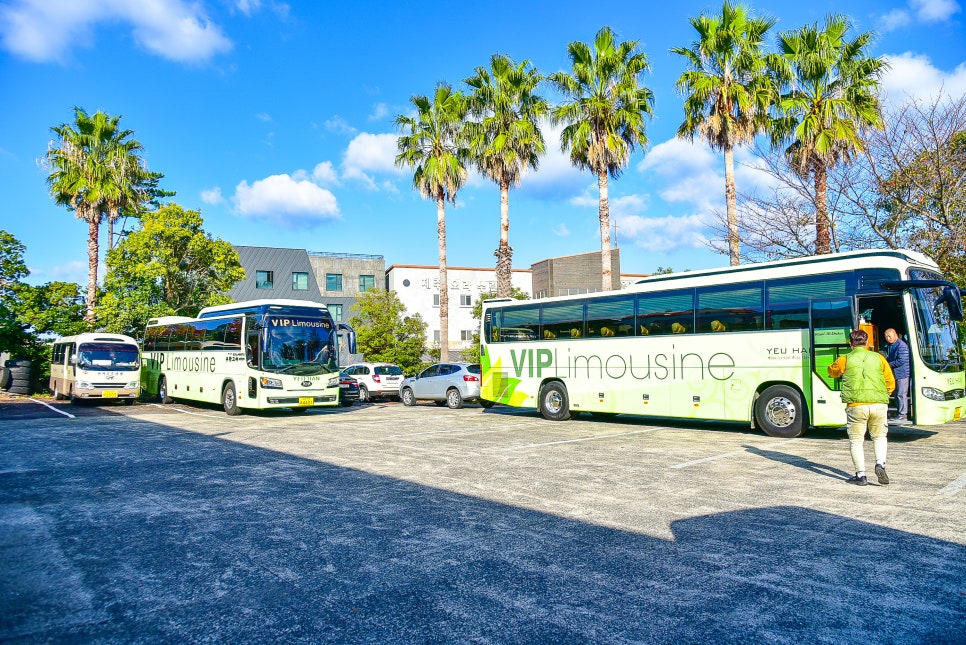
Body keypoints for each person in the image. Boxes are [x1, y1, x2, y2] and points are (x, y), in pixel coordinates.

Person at [827, 329, 896, 486]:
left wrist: (836, 365)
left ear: (851, 344)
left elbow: (832, 371)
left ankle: (861, 475)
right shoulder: (879, 358)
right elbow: (890, 380)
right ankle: (880, 464)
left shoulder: (845, 359)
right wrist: (883, 395)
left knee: (856, 441)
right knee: (879, 437)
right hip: (879, 404)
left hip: (856, 405)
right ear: (866, 343)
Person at [884, 328, 911, 424]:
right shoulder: (890, 345)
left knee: (901, 394)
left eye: (889, 336)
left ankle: (903, 415)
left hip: (902, 373)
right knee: (897, 394)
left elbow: (901, 361)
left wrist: (887, 364)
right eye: (886, 337)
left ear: (895, 335)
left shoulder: (901, 346)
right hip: (895, 374)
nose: (888, 338)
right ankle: (899, 414)